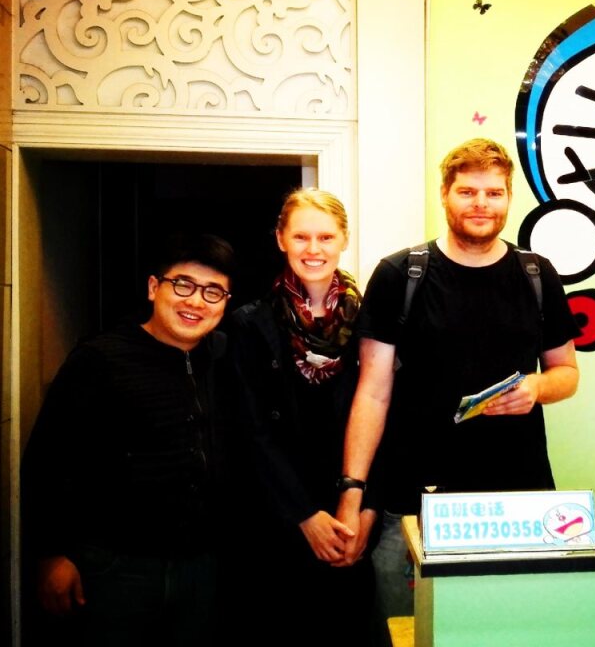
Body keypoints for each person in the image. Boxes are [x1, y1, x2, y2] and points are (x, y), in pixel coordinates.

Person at [337, 137, 581, 640]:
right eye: (467, 192)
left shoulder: (537, 275)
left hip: (517, 500)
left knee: (514, 632)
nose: (481, 204)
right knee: (409, 633)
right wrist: (352, 489)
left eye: (494, 193)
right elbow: (372, 393)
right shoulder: (401, 274)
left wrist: (537, 387)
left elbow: (567, 373)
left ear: (508, 197)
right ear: (445, 195)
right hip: (415, 499)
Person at [20, 233, 236, 647]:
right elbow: (48, 460)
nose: (196, 301)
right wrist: (50, 555)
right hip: (115, 566)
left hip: (201, 566)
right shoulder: (100, 359)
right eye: (183, 285)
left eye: (213, 292)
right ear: (154, 287)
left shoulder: (223, 358)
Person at [221, 188, 375, 643]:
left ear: (344, 239)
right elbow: (251, 430)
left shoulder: (372, 321)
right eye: (301, 237)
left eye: (325, 237)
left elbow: (386, 418)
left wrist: (367, 509)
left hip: (351, 510)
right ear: (280, 239)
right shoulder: (249, 323)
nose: (314, 249)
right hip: (278, 517)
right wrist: (304, 515)